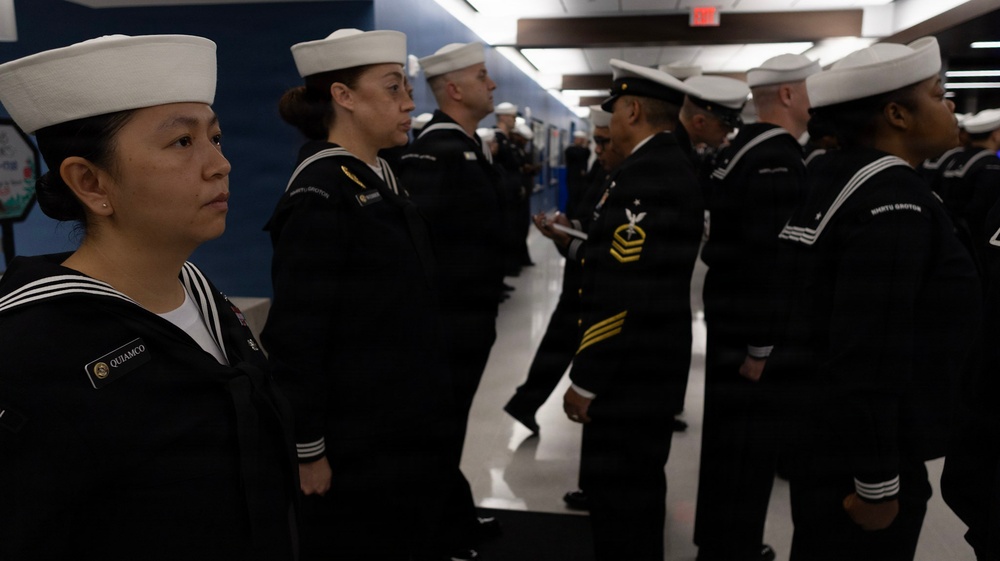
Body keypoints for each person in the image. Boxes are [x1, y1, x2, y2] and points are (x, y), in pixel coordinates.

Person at [0, 34, 297, 560]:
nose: (219, 164)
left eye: (216, 137)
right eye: (182, 142)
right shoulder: (30, 346)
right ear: (91, 182)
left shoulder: (205, 299)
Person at [772, 37, 981, 560]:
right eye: (938, 94)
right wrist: (877, 484)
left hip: (822, 434)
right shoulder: (893, 205)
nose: (951, 105)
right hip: (863, 452)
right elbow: (869, 352)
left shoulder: (837, 176)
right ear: (896, 115)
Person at [259, 28, 454, 560]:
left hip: (402, 418)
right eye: (393, 88)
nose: (409, 102)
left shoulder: (379, 172)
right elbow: (299, 334)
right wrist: (308, 449)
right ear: (343, 96)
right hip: (358, 436)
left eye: (406, 88)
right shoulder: (320, 192)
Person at [561, 59, 704, 561]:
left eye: (615, 111)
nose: (609, 124)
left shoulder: (647, 176)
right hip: (649, 363)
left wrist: (587, 378)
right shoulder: (663, 165)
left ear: (634, 110)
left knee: (623, 499)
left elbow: (625, 289)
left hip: (631, 371)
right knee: (634, 491)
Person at [693, 53, 818, 561]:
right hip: (750, 331)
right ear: (787, 94)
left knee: (727, 443)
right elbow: (768, 260)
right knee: (747, 448)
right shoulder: (778, 158)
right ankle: (733, 548)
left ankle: (718, 542)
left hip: (728, 317)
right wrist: (763, 343)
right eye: (811, 87)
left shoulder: (738, 147)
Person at [398, 41, 505, 560]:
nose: (493, 84)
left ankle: (452, 510)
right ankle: (439, 532)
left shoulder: (465, 144)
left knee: (450, 425)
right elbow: (423, 245)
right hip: (449, 321)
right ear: (455, 89)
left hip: (470, 315)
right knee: (438, 429)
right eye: (483, 76)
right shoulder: (436, 149)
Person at [504, 106, 617, 438]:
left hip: (585, 265)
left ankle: (525, 401)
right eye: (596, 140)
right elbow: (587, 214)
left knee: (561, 340)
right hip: (585, 272)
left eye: (603, 141)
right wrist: (569, 230)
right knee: (562, 340)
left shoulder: (613, 171)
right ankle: (526, 401)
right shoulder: (605, 170)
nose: (598, 148)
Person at [937, 108, 1000, 276]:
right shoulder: (990, 164)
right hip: (978, 244)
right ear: (995, 135)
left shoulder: (953, 158)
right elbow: (986, 209)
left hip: (952, 237)